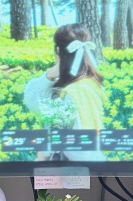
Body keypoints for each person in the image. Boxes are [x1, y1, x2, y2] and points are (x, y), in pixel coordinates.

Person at [24, 23, 105, 161]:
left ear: (57, 51)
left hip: (72, 168)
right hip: (94, 164)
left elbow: (32, 101)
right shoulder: (91, 84)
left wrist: (48, 75)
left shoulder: (71, 92)